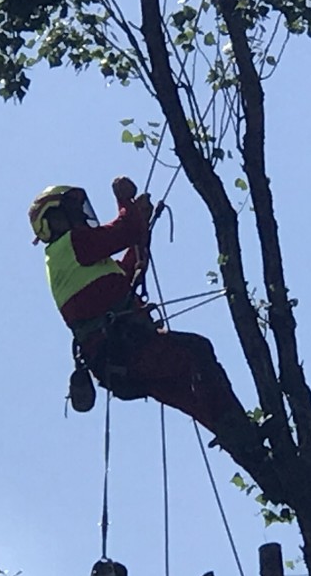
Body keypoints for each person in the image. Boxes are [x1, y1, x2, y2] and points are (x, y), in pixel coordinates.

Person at [28, 177, 263, 454]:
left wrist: (141, 225)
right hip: (129, 350)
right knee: (198, 350)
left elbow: (128, 269)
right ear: (53, 218)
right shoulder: (73, 244)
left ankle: (250, 450)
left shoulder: (74, 258)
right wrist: (124, 200)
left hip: (120, 362)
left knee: (192, 396)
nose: (81, 215)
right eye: (73, 210)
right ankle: (239, 432)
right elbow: (125, 230)